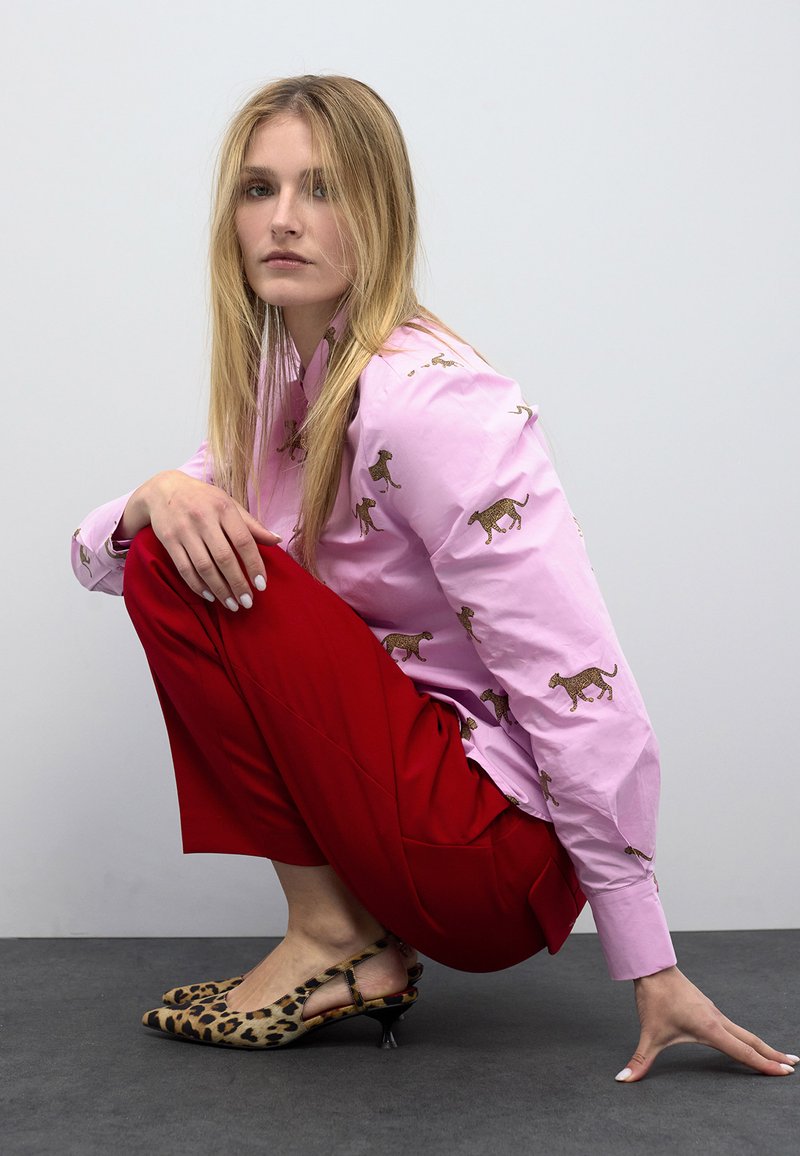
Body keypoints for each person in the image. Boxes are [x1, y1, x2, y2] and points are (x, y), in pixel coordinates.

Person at [71, 74, 796, 1077]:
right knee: (174, 526)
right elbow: (101, 557)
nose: (283, 220)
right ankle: (345, 942)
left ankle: (333, 937)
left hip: (488, 854)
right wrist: (154, 490)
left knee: (176, 545)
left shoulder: (425, 401)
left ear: (380, 211)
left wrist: (649, 958)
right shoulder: (281, 394)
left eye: (322, 188)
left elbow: (573, 673)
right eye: (258, 189)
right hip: (416, 820)